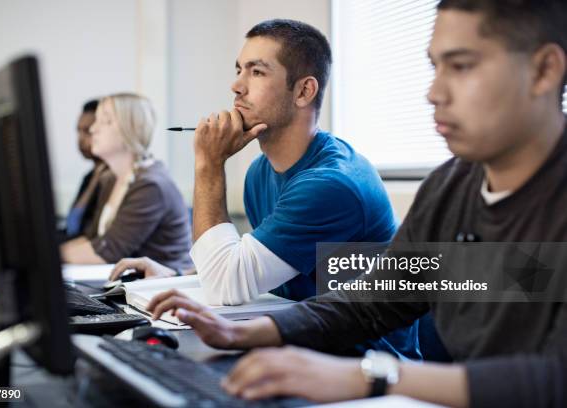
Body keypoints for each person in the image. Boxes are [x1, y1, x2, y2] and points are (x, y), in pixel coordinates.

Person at [144, 1, 567, 407]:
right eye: (435, 67)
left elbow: (552, 379)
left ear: (544, 70)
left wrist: (367, 376)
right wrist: (249, 332)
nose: (434, 93)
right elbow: (379, 298)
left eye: (461, 66)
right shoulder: (452, 185)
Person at [111, 19, 424, 360]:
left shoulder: (330, 185)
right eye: (239, 70)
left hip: (362, 359)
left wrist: (209, 164)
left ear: (304, 91)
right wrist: (175, 276)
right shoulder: (261, 170)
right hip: (297, 338)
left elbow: (224, 286)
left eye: (257, 72)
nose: (236, 86)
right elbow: (262, 266)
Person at [60, 93, 192, 272]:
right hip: (129, 285)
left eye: (105, 121)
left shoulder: (150, 185)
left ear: (129, 129)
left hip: (162, 290)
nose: (93, 130)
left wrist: (47, 256)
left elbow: (108, 252)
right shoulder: (110, 179)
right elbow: (93, 239)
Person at [62, 99, 108, 239]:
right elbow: (72, 226)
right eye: (78, 131)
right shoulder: (89, 177)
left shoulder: (114, 178)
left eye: (88, 131)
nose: (80, 139)